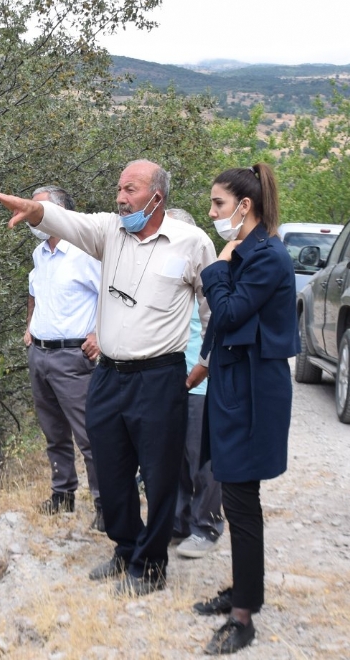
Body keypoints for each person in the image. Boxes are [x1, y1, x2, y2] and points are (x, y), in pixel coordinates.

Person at [0, 160, 216, 597]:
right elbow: (66, 221)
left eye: (130, 189)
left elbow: (211, 306)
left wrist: (206, 360)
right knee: (111, 471)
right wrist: (33, 212)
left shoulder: (192, 242)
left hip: (160, 374)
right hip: (110, 375)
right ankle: (125, 547)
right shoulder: (109, 232)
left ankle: (150, 565)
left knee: (160, 472)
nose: (120, 197)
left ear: (156, 196)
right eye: (119, 189)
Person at [191, 163, 296, 655]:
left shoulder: (267, 256)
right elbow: (224, 327)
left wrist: (214, 266)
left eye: (218, 204)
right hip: (233, 384)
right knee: (235, 496)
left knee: (241, 499)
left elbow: (230, 312)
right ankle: (244, 589)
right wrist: (201, 368)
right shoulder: (247, 253)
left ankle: (243, 617)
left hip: (253, 393)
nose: (212, 212)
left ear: (244, 206)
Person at [24, 186, 104, 531]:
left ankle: (106, 504)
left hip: (73, 357)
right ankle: (62, 494)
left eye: (37, 209)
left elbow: (114, 294)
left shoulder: (85, 253)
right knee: (53, 432)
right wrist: (29, 330)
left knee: (90, 435)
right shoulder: (40, 254)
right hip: (39, 353)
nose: (31, 215)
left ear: (60, 214)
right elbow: (33, 293)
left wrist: (100, 335)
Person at [164, 207, 225, 560]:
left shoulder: (211, 277)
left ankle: (207, 526)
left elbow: (217, 327)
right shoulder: (166, 277)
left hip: (200, 382)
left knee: (203, 461)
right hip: (168, 381)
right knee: (171, 460)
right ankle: (178, 521)